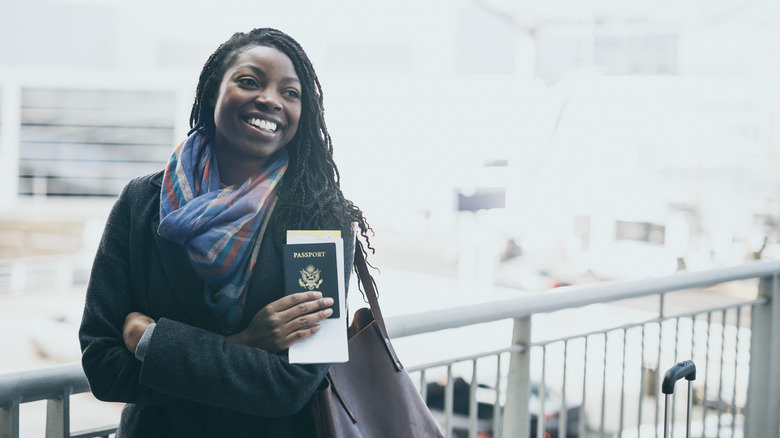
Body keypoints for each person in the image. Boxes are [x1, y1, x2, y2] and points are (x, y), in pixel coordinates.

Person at [79, 28, 372, 437]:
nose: (271, 99)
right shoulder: (142, 202)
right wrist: (246, 343)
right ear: (213, 92)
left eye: (291, 93)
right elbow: (103, 367)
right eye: (250, 81)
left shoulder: (318, 219)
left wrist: (153, 343)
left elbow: (292, 385)